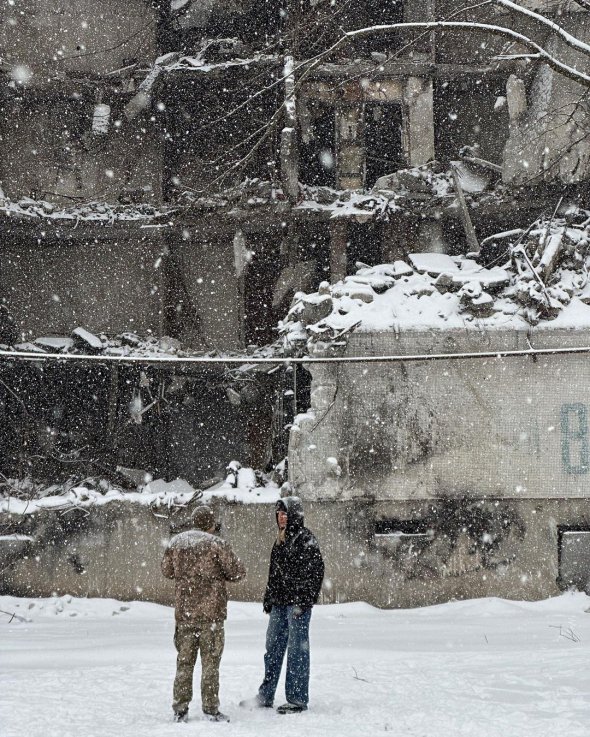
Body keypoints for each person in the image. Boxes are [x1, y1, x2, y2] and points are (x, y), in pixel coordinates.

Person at [161, 505, 246, 723]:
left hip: (185, 614)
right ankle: (210, 707)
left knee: (184, 663)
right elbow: (237, 572)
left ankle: (180, 708)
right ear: (211, 523)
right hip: (212, 616)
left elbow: (167, 571)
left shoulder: (176, 543)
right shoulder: (217, 544)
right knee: (210, 664)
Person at [242, 496, 324, 714]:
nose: (281, 518)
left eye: (285, 513)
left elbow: (316, 573)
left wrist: (304, 600)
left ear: (295, 515)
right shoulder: (279, 540)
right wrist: (269, 598)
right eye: (279, 514)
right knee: (272, 649)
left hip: (297, 605)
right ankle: (266, 694)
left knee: (297, 650)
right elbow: (274, 575)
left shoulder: (306, 539)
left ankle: (297, 699)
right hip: (279, 604)